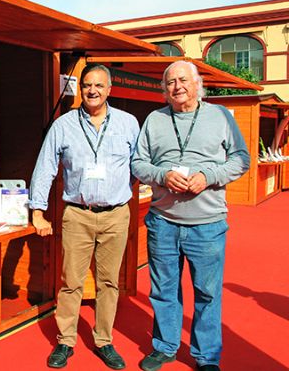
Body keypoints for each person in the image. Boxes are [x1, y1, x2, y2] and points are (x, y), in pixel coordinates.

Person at [131, 61, 250, 371]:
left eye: (183, 79)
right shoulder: (155, 120)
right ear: (164, 90)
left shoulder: (220, 116)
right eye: (170, 82)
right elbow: (138, 163)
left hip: (207, 224)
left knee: (207, 293)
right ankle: (165, 346)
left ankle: (206, 356)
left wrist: (208, 176)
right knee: (163, 289)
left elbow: (241, 159)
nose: (177, 86)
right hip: (163, 221)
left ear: (198, 84)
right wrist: (162, 174)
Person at [29, 64, 139, 370]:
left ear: (109, 89)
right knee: (71, 282)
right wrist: (38, 211)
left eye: (99, 86)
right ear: (80, 89)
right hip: (77, 215)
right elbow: (45, 167)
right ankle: (65, 341)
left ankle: (104, 340)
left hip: (116, 215)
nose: (92, 91)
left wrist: (122, 191)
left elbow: (138, 165)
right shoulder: (63, 126)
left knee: (109, 283)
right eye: (87, 85)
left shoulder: (129, 124)